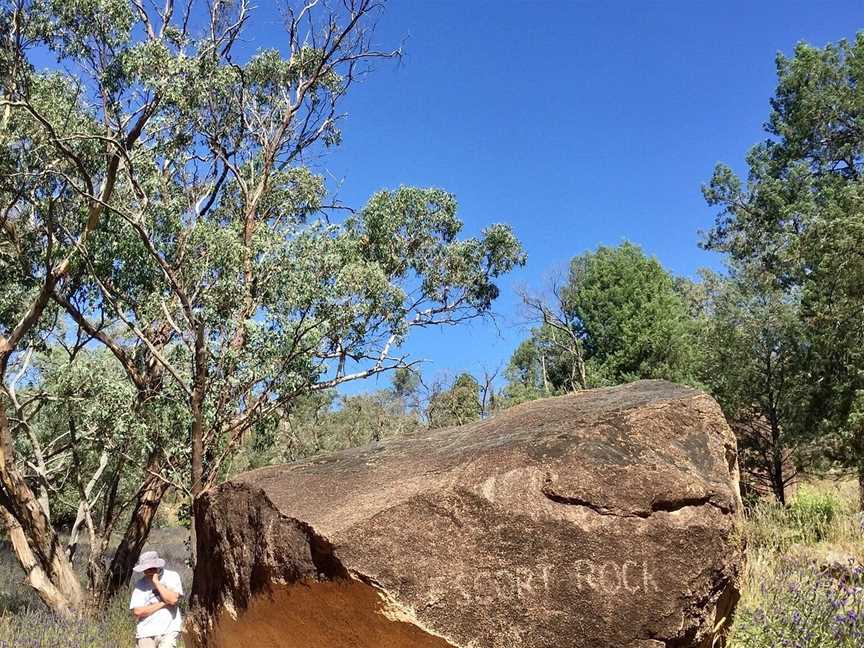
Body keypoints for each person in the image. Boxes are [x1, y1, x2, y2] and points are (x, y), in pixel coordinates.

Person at [129, 550, 184, 648]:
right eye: (145, 569)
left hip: (169, 630)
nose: (148, 571)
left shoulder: (172, 576)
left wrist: (156, 582)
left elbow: (172, 600)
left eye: (151, 568)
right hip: (145, 632)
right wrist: (163, 603)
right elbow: (137, 611)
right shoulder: (140, 585)